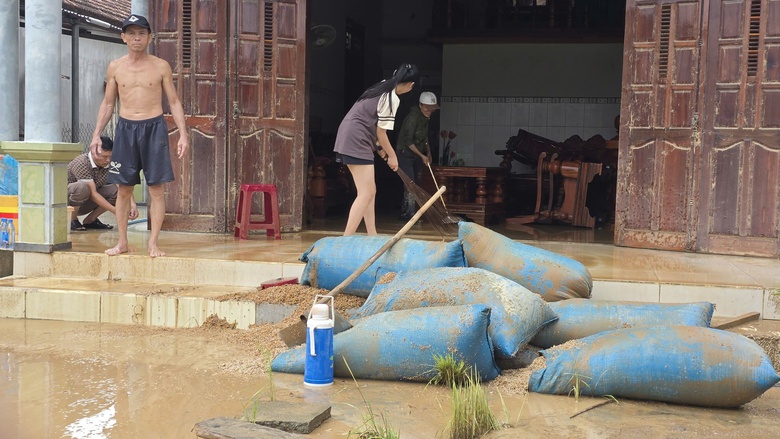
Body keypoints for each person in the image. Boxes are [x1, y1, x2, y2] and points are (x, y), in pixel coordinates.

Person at [89, 14, 189, 257]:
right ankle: (122, 241)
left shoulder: (160, 65)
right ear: (123, 37)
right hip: (125, 130)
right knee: (123, 189)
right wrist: (96, 135)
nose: (136, 37)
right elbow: (108, 103)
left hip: (154, 129)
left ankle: (153, 243)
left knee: (156, 189)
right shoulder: (115, 67)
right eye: (131, 33)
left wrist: (183, 135)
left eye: (141, 33)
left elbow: (174, 102)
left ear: (149, 37)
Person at [333, 63, 419, 236]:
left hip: (351, 135)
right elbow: (381, 132)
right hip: (357, 139)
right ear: (411, 85)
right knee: (367, 192)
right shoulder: (391, 97)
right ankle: (344, 239)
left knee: (369, 190)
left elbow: (372, 124)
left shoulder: (382, 85)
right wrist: (393, 157)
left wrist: (380, 149)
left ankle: (372, 234)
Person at [68, 136, 139, 231]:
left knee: (117, 191)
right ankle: (72, 219)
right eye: (104, 157)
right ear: (94, 153)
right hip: (67, 202)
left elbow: (122, 184)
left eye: (110, 156)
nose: (108, 160)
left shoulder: (111, 163)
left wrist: (132, 204)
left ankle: (90, 220)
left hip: (86, 201)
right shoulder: (82, 163)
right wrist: (117, 212)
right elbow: (93, 194)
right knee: (82, 187)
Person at [396, 91, 440, 220]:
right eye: (427, 108)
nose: (430, 111)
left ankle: (411, 212)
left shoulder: (425, 117)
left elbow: (424, 137)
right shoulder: (412, 118)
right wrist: (422, 155)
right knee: (410, 183)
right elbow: (408, 141)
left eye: (432, 109)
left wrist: (429, 153)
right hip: (405, 154)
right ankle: (408, 215)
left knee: (417, 183)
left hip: (416, 155)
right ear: (420, 105)